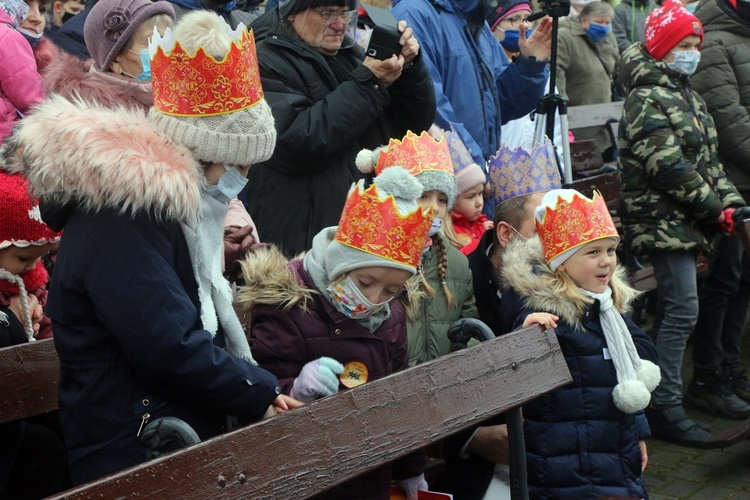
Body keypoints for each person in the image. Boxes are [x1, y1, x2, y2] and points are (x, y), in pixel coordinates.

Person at [0, 11, 299, 484]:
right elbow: (165, 342)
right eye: (235, 165)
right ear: (198, 154)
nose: (240, 180)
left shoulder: (159, 208)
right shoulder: (120, 217)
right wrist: (255, 391)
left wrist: (253, 391)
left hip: (164, 429)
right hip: (131, 446)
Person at [237, 166, 432, 499]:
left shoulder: (392, 314)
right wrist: (296, 388)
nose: (374, 300)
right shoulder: (289, 306)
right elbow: (260, 392)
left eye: (391, 290)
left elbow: (397, 398)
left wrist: (411, 470)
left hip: (369, 477)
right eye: (366, 283)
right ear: (341, 265)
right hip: (305, 479)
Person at [617, 0, 746, 446]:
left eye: (695, 44)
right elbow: (668, 166)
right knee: (680, 310)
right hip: (660, 221)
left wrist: (732, 203)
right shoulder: (646, 96)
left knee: (684, 308)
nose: (691, 52)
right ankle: (664, 406)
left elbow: (709, 163)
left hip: (684, 220)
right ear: (661, 48)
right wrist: (716, 209)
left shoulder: (687, 93)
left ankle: (665, 394)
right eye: (683, 45)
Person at [500, 188, 660, 499]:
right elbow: (514, 369)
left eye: (610, 251)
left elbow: (624, 374)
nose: (606, 263)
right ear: (561, 263)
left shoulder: (605, 308)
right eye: (593, 253)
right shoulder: (548, 314)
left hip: (614, 451)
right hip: (567, 464)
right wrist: (523, 334)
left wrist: (638, 434)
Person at [244, 0, 436, 256]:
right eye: (327, 13)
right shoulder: (265, 59)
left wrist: (409, 67)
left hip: (362, 234)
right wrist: (369, 84)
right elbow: (298, 142)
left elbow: (411, 126)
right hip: (301, 245)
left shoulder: (352, 56)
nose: (339, 24)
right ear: (292, 14)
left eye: (345, 14)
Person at [391, 0, 552, 174]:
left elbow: (501, 104)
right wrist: (472, 165)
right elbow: (428, 107)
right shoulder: (414, 13)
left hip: (478, 179)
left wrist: (529, 65)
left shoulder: (475, 19)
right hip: (445, 183)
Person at [686, 0, 750, 417]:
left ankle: (731, 367)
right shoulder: (716, 43)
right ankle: (708, 378)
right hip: (732, 185)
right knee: (725, 282)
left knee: (744, 284)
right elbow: (731, 124)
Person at [0, 172, 68, 499]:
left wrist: (34, 324)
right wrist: (11, 321)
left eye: (40, 258)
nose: (34, 269)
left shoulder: (26, 284)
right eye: (24, 259)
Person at [485, 0, 566, 168]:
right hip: (501, 170)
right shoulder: (486, 72)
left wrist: (557, 169)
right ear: (492, 28)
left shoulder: (538, 71)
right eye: (513, 19)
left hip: (538, 173)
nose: (523, 25)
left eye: (527, 18)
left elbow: (557, 130)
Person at [557, 1, 620, 160]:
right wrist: (562, 102)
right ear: (584, 21)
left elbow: (616, 65)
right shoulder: (565, 37)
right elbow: (557, 71)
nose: (604, 26)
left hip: (606, 115)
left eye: (607, 22)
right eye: (599, 22)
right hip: (578, 116)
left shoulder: (608, 36)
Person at [433, 128, 493, 256]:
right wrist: (483, 242)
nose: (479, 203)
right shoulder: (449, 231)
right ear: (452, 201)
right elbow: (458, 258)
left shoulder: (482, 224)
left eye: (480, 194)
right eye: (471, 197)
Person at [0, 0, 44, 144]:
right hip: (7, 140)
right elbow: (33, 100)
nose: (36, 17)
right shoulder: (7, 36)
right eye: (24, 5)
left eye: (42, 9)